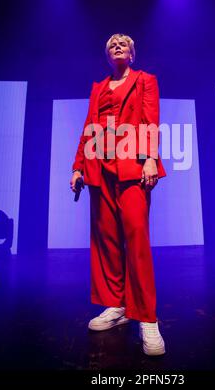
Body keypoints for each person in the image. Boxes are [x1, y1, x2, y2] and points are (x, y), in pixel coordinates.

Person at [70, 33, 166, 356]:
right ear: (107, 56)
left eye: (123, 43)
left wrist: (151, 156)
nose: (117, 45)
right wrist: (78, 167)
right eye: (111, 44)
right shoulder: (98, 88)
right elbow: (88, 128)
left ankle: (148, 319)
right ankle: (117, 305)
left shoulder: (145, 81)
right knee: (107, 240)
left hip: (133, 169)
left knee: (137, 238)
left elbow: (150, 119)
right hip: (101, 170)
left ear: (132, 53)